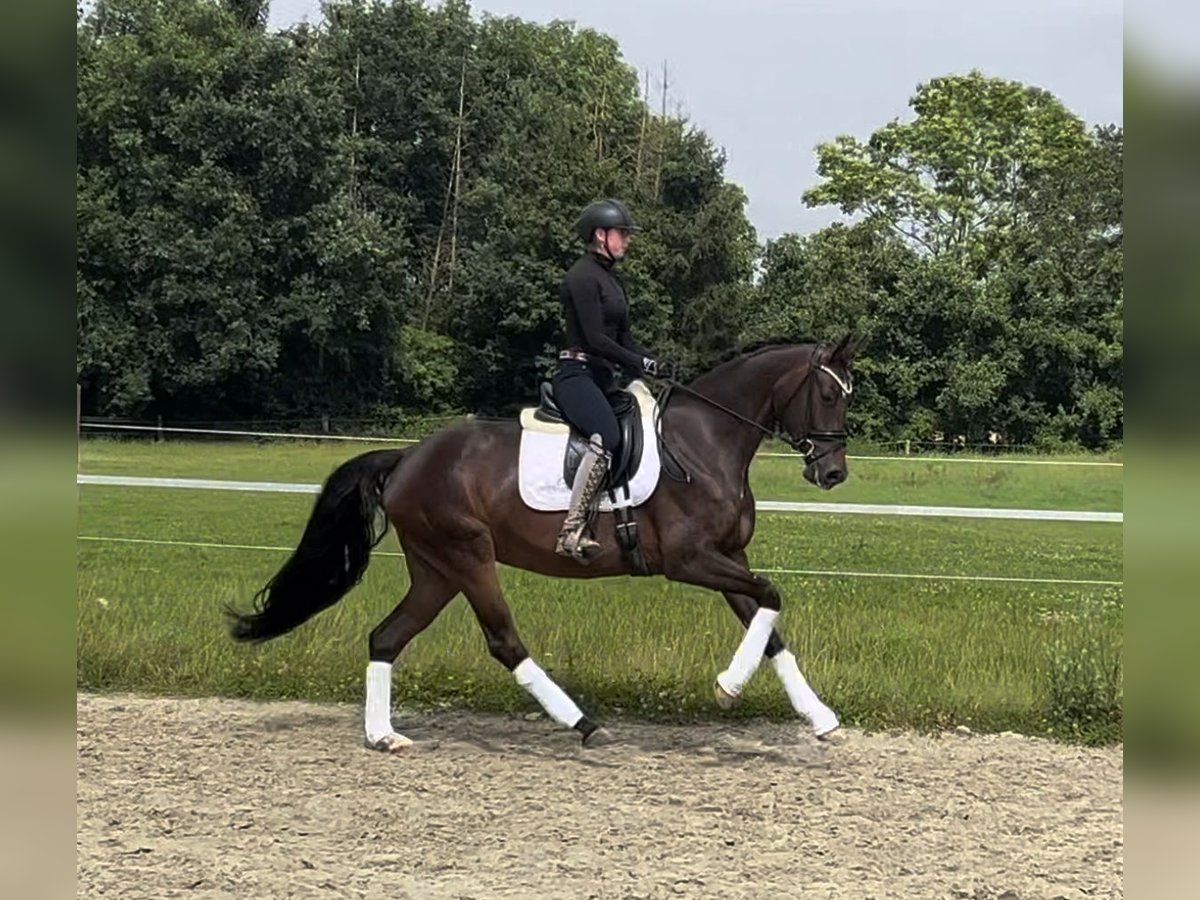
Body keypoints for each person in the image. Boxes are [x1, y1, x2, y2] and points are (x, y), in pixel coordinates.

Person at [552, 199, 672, 563]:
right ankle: (571, 530)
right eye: (623, 234)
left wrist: (654, 365)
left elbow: (623, 341)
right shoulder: (581, 276)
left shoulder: (612, 281)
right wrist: (640, 362)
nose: (628, 241)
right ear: (600, 236)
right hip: (577, 375)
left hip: (603, 378)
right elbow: (594, 339)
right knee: (608, 436)